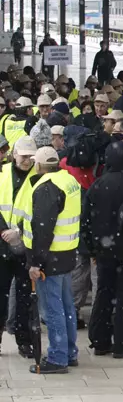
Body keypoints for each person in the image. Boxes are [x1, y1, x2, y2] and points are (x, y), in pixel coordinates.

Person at [83, 141, 123, 357]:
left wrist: (92, 247)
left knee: (104, 292)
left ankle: (100, 340)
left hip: (104, 249)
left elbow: (85, 220)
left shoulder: (98, 185)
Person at [24, 147, 81, 374]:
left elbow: (42, 228)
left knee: (52, 308)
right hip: (67, 253)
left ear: (38, 165)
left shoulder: (46, 187)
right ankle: (69, 351)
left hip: (50, 257)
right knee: (66, 305)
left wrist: (36, 262)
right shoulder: (68, 180)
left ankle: (58, 358)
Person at [0, 136, 37, 359]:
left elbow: (40, 210)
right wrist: (4, 230)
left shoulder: (38, 177)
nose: (27, 160)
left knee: (24, 297)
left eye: (31, 157)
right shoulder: (3, 173)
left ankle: (24, 340)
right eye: (23, 156)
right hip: (2, 242)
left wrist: (19, 231)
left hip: (26, 245)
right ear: (14, 155)